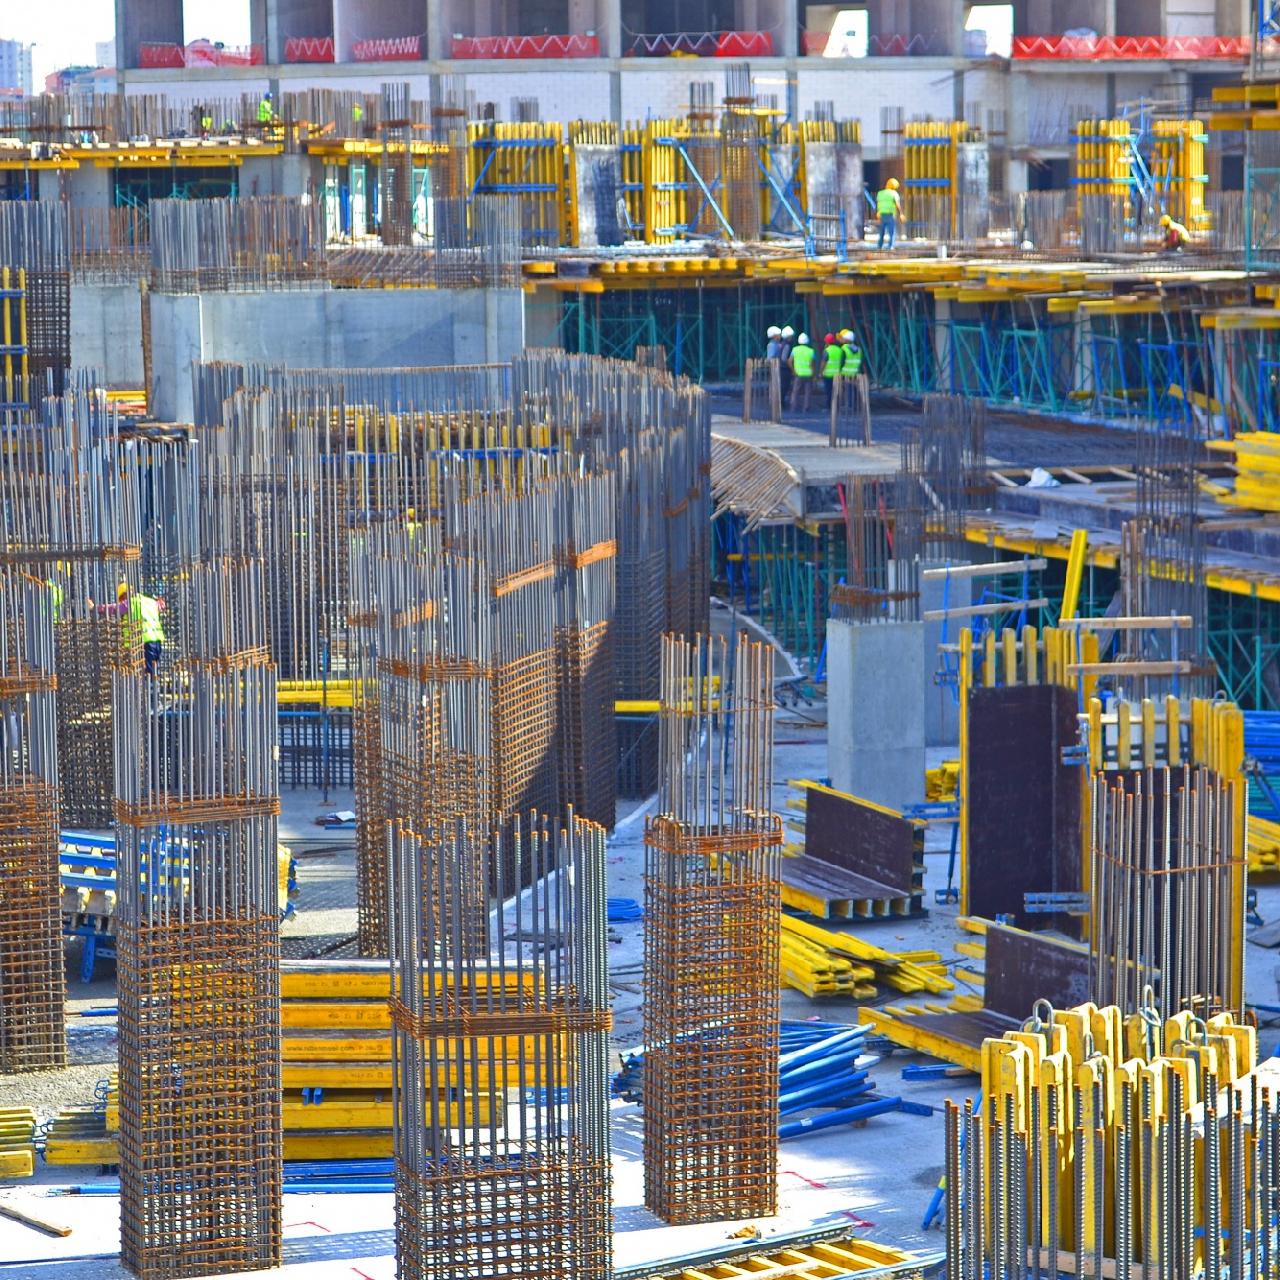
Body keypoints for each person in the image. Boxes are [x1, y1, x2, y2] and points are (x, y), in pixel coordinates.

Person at [112, 583, 166, 677]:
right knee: (153, 672)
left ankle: (150, 690)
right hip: (157, 642)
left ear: (123, 595)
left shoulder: (129, 603)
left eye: (120, 599)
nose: (121, 602)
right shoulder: (150, 601)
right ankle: (153, 689)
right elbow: (161, 606)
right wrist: (161, 603)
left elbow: (113, 609)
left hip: (145, 643)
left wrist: (95, 608)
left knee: (147, 675)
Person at [789, 333, 815, 411]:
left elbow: (789, 361)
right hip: (808, 374)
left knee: (795, 391)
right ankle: (806, 407)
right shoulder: (811, 351)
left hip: (798, 374)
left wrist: (793, 371)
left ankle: (793, 407)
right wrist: (813, 374)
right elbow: (812, 364)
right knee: (808, 392)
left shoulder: (795, 350)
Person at [876, 177, 902, 251]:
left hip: (881, 215)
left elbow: (878, 204)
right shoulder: (894, 193)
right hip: (890, 215)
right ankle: (890, 247)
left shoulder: (880, 193)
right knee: (892, 232)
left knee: (881, 232)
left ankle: (879, 247)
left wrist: (878, 213)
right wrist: (901, 214)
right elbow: (897, 204)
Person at [820, 332, 843, 410]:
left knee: (829, 391)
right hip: (837, 374)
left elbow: (823, 363)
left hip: (828, 375)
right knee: (836, 391)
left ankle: (829, 406)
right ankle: (837, 406)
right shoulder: (839, 350)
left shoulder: (827, 351)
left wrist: (820, 372)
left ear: (826, 341)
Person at [779, 325, 796, 406]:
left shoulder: (781, 344)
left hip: (781, 367)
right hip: (784, 368)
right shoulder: (787, 345)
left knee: (783, 385)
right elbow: (784, 358)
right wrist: (790, 367)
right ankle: (781, 402)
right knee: (785, 385)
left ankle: (781, 401)